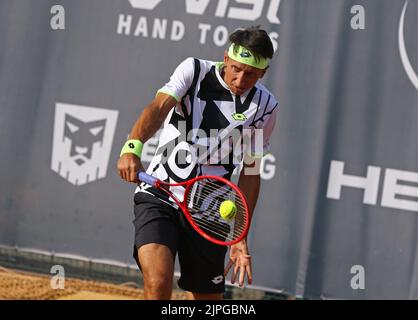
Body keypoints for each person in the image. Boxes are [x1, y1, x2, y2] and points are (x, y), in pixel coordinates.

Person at [117, 26, 278, 300]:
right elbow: (158, 108)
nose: (240, 79)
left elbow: (251, 172)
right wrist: (132, 147)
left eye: (250, 74)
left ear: (262, 73)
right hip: (160, 193)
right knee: (158, 283)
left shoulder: (265, 106)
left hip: (209, 210)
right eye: (236, 68)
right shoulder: (193, 71)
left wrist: (240, 234)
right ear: (226, 58)